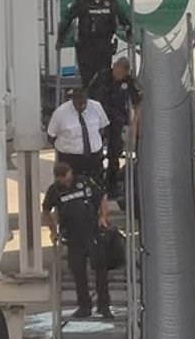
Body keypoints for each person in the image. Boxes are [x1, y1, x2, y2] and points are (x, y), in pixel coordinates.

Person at [42, 162, 113, 319]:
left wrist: (103, 216)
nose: (64, 181)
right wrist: (53, 230)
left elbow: (101, 198)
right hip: (73, 236)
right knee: (78, 273)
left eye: (66, 177)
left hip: (93, 231)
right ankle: (84, 306)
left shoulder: (84, 182)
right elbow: (46, 210)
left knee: (101, 271)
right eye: (61, 179)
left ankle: (104, 306)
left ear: (70, 172)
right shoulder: (54, 190)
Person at [56, 0, 132, 88]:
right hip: (86, 46)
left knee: (103, 77)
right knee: (87, 78)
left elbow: (122, 17)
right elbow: (68, 18)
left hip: (104, 45)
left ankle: (102, 101)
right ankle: (88, 98)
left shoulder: (110, 2)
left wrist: (129, 30)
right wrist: (61, 38)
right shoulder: (82, 2)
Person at [88, 57, 142, 195]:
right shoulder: (102, 76)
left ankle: (112, 184)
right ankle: (96, 181)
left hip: (116, 118)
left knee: (115, 150)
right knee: (95, 150)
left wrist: (134, 124)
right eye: (117, 70)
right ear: (114, 66)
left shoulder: (128, 81)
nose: (119, 74)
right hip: (99, 116)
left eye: (122, 73)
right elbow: (89, 95)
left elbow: (138, 103)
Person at [47, 88, 109, 182]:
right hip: (70, 158)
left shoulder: (96, 107)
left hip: (93, 156)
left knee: (96, 184)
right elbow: (51, 135)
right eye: (78, 104)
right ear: (73, 100)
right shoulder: (60, 112)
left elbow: (102, 127)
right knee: (70, 186)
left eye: (84, 103)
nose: (82, 106)